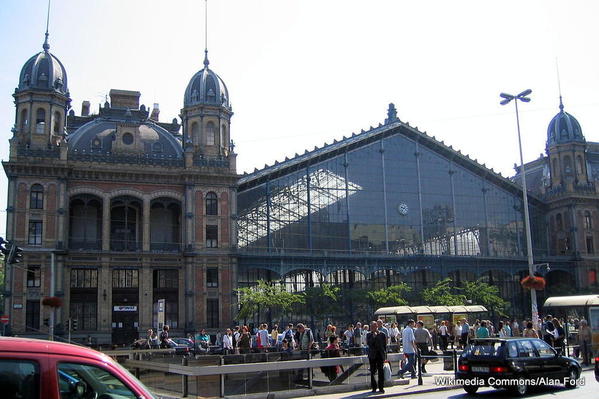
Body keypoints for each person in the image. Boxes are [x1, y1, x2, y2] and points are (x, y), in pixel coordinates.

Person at [367, 321, 387, 393]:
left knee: (381, 371)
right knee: (372, 372)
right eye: (371, 327)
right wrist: (373, 337)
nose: (373, 328)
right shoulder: (368, 334)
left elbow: (384, 346)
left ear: (377, 327)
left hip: (380, 355)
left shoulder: (382, 334)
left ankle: (381, 387)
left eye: (374, 326)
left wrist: (385, 356)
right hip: (372, 355)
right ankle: (374, 387)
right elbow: (369, 344)